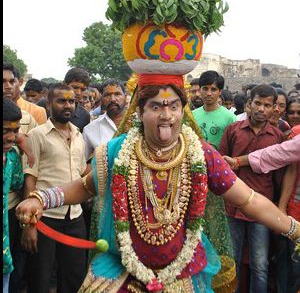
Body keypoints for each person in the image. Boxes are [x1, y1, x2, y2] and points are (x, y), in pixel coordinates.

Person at [16, 82, 300, 293]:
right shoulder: (117, 151)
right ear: (140, 112)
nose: (166, 115)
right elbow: (84, 187)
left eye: (173, 106)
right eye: (156, 106)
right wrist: (42, 198)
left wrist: (294, 229)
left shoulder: (199, 154)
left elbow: (248, 199)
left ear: (182, 111)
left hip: (183, 274)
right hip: (124, 272)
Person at [21, 83, 88, 293]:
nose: (67, 105)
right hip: (44, 218)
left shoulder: (79, 135)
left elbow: (80, 173)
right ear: (49, 104)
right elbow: (30, 179)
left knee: (73, 277)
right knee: (40, 280)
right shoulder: (37, 135)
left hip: (75, 216)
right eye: (61, 101)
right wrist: (29, 224)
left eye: (71, 101)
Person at [219, 84, 285, 293]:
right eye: (257, 103)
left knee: (260, 264)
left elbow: (278, 177)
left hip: (262, 209)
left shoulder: (277, 137)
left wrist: (276, 205)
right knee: (233, 261)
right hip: (233, 207)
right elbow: (222, 166)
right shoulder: (233, 131)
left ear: (275, 108)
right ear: (249, 104)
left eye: (267, 105)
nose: (261, 109)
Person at [3, 98, 24, 293]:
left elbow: (18, 183)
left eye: (15, 131)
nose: (11, 137)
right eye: (5, 131)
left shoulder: (11, 157)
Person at [83, 79, 127, 161]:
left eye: (117, 94)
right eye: (107, 95)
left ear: (125, 96)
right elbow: (82, 164)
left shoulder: (140, 122)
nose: (113, 99)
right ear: (101, 98)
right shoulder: (90, 129)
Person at [193, 70, 236, 149]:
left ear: (220, 92)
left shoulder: (230, 118)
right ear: (200, 90)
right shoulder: (192, 115)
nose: (209, 93)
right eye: (205, 89)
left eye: (213, 89)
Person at [64, 67, 90, 132]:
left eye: (83, 89)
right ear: (64, 85)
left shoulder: (84, 115)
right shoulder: (46, 106)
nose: (78, 93)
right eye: (75, 87)